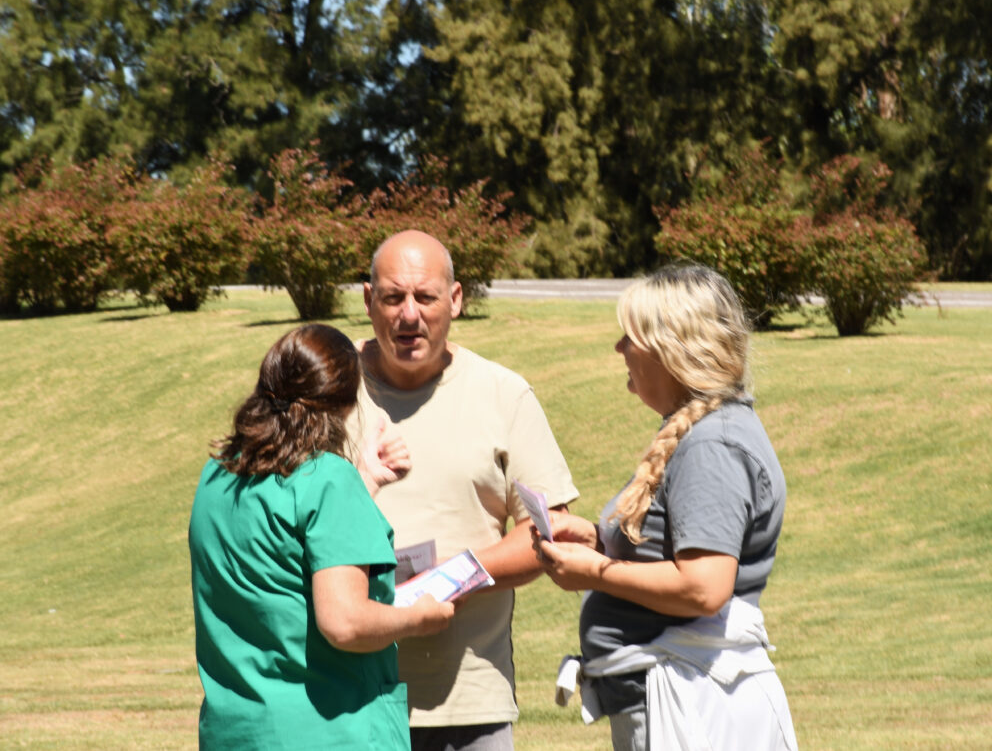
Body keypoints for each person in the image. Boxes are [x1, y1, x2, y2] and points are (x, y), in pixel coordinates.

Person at [536, 264, 799, 751]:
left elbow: (703, 588)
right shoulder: (701, 433)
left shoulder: (712, 445)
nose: (619, 349)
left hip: (692, 706)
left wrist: (595, 571)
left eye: (629, 337)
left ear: (673, 350)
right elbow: (676, 550)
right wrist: (597, 538)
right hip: (675, 698)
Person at [351, 229, 579, 751]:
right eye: (392, 297)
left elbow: (547, 535)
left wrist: (446, 581)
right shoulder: (330, 391)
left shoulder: (503, 394)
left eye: (425, 297)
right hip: (346, 697)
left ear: (455, 300)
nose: (409, 314)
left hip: (468, 699)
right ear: (368, 301)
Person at [189, 323, 455, 750]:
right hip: (327, 729)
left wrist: (364, 481)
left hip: (237, 730)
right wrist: (420, 618)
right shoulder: (328, 479)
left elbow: (283, 546)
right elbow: (345, 623)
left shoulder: (218, 474)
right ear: (345, 403)